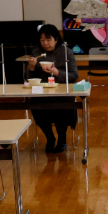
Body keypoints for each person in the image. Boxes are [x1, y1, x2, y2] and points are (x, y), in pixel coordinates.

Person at [27, 24, 79, 153]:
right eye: (42, 40)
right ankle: (50, 138)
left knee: (61, 108)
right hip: (42, 92)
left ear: (56, 39)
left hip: (62, 92)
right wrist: (32, 67)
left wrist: (56, 73)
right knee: (35, 106)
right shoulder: (36, 52)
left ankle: (62, 140)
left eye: (48, 40)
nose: (45, 43)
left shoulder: (66, 52)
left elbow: (74, 76)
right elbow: (29, 79)